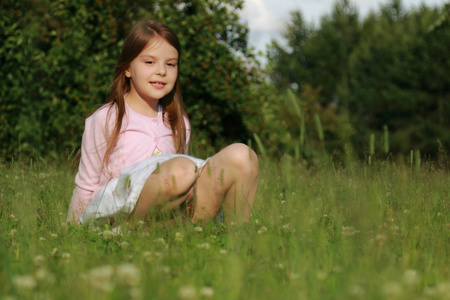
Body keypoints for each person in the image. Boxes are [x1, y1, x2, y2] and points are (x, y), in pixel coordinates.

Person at [67, 20, 259, 227]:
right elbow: (86, 185)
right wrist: (73, 233)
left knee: (241, 155)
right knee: (182, 169)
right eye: (149, 62)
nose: (161, 71)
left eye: (170, 64)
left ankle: (231, 242)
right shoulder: (106, 118)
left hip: (172, 217)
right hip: (119, 219)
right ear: (128, 69)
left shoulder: (179, 122)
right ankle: (131, 235)